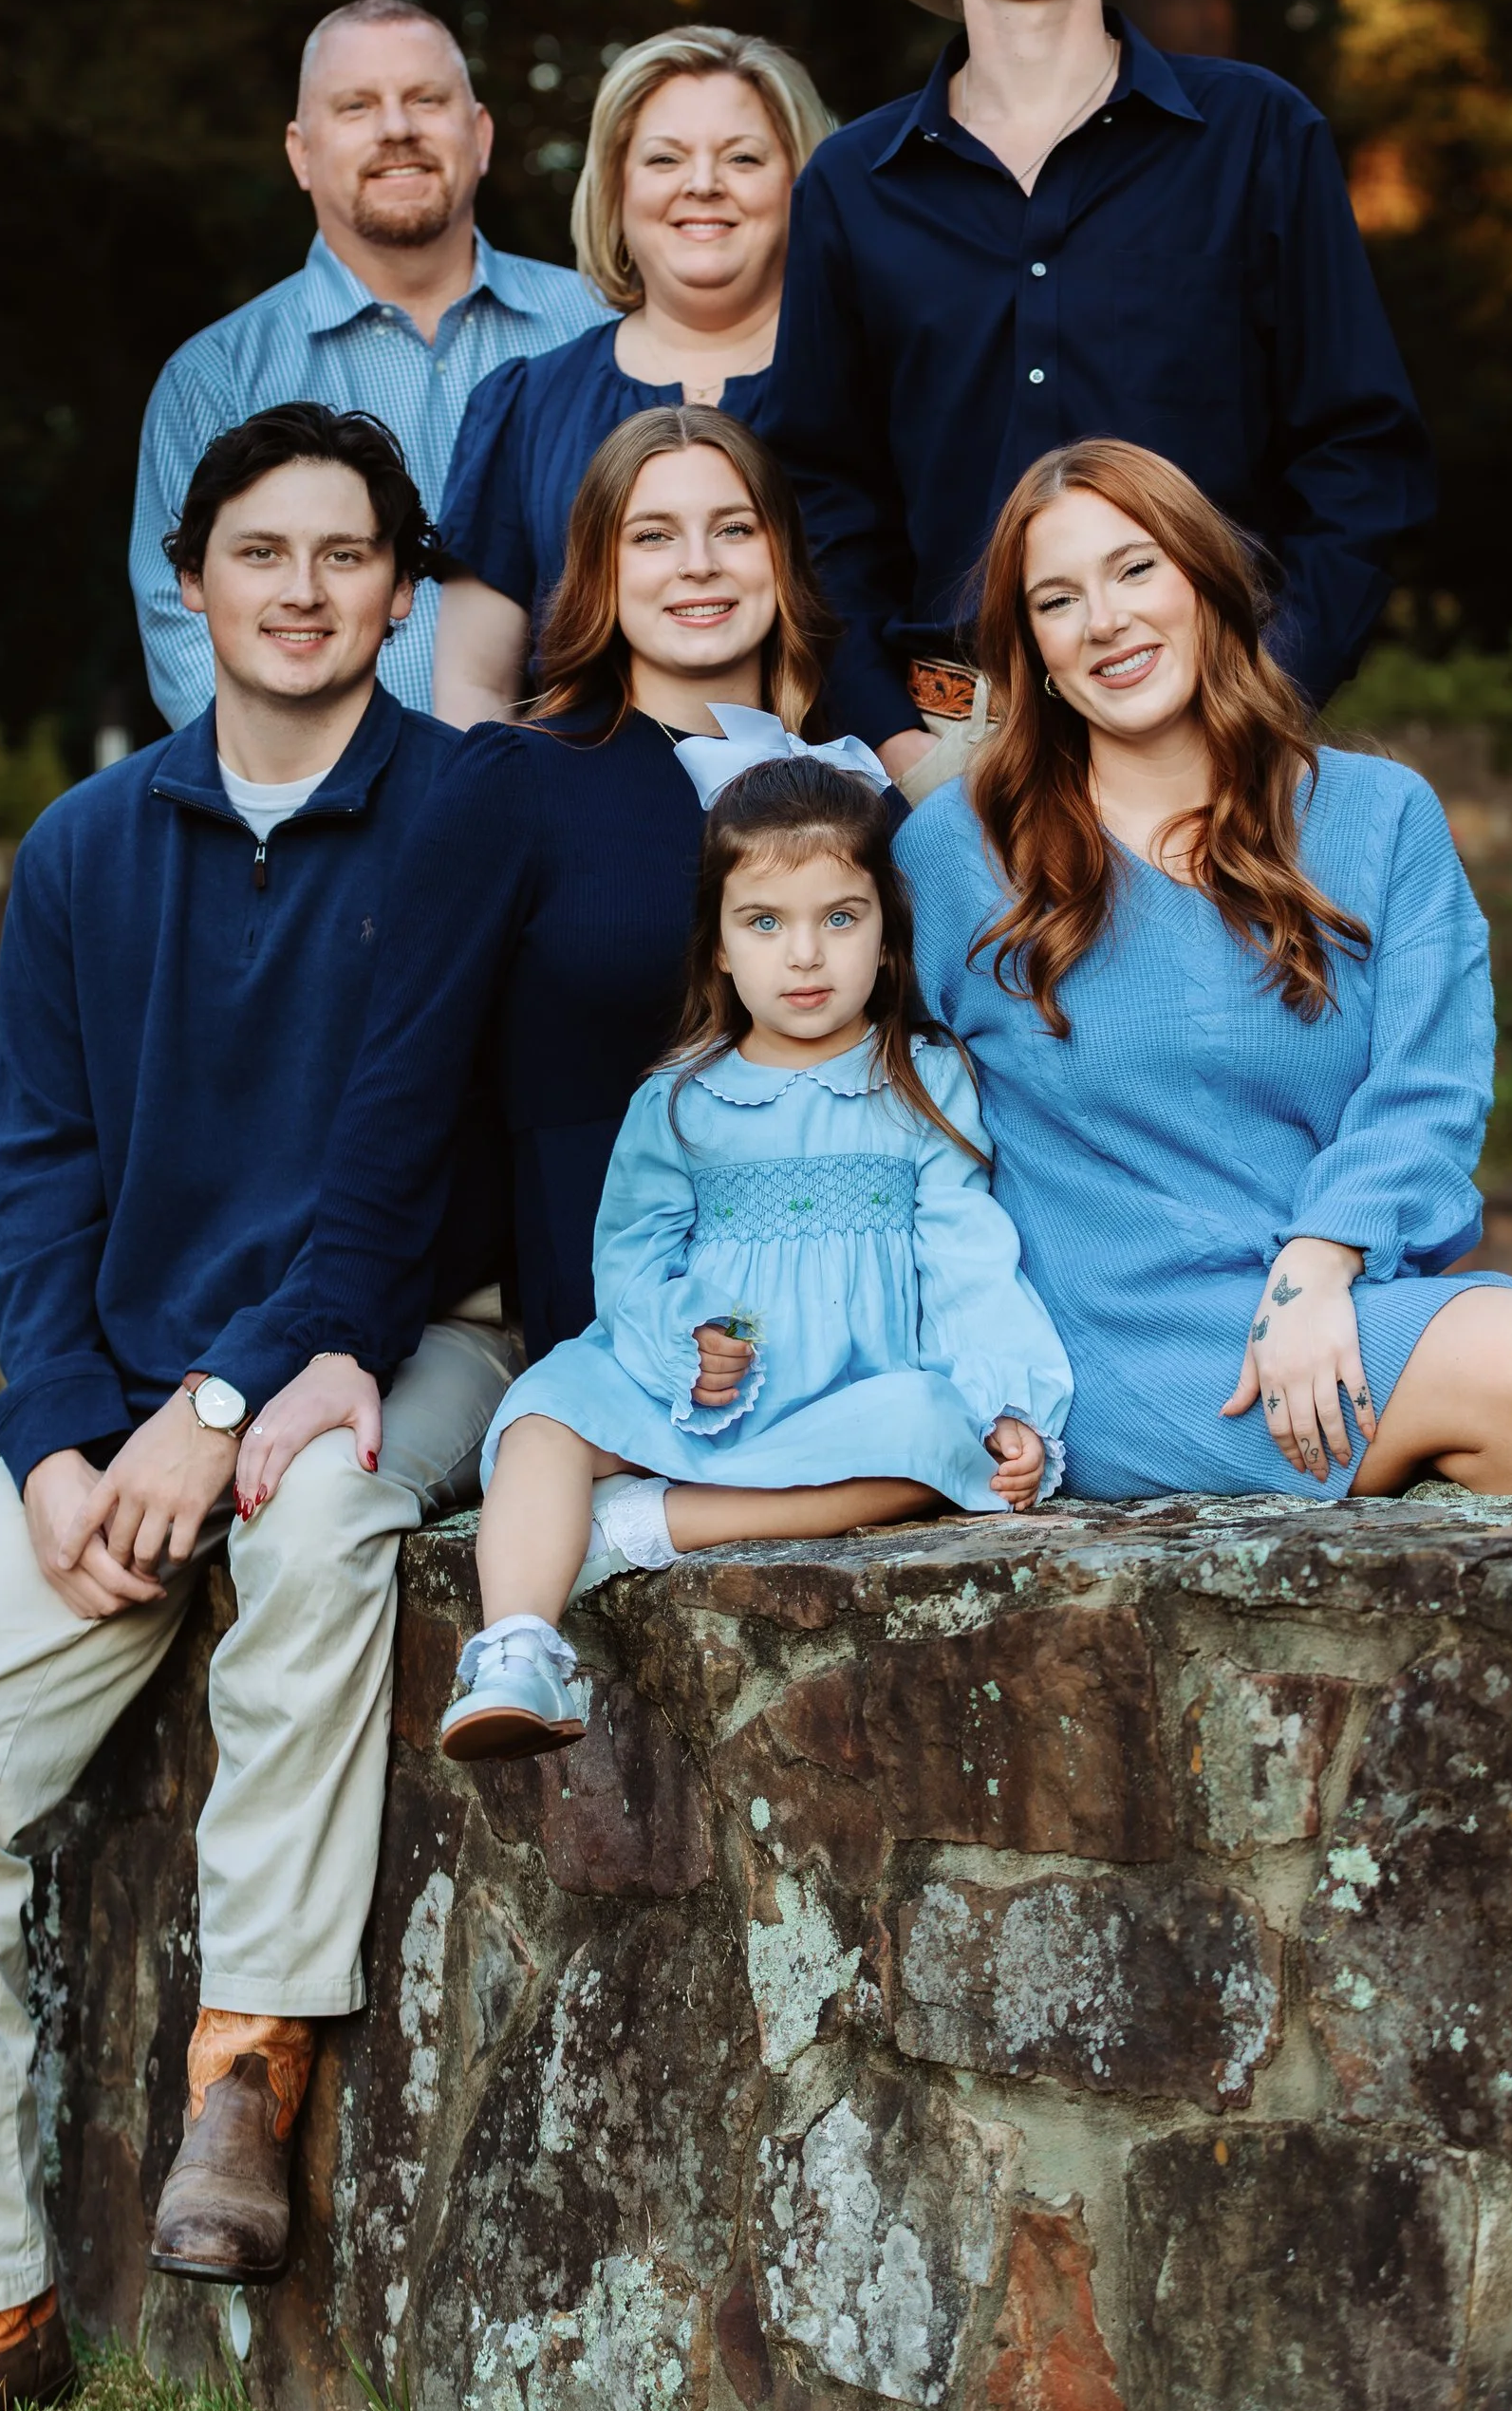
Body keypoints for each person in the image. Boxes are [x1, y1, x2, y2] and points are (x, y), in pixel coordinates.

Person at [0, 405, 513, 2411]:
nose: (301, 588)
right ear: (188, 580)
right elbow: (36, 1175)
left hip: (400, 1335)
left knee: (315, 1527)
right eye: (259, 551)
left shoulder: (462, 813)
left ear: (399, 593)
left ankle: (251, 2060)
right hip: (123, 1397)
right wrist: (57, 1442)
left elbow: (413, 1176)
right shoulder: (86, 847)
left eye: (343, 554)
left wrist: (225, 1399)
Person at [899, 436, 1512, 1509]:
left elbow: (1431, 1084)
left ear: (1204, 579)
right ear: (1029, 645)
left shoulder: (1378, 813)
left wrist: (1322, 1257)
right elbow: (872, 1096)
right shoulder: (955, 849)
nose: (1106, 621)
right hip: (1130, 1330)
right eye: (1057, 600)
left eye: (1135, 569)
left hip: (1337, 1283)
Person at [770, 0, 1434, 791]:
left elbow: (1360, 450)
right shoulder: (851, 185)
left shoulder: (1258, 136)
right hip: (958, 743)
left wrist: (1269, 691)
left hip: (1218, 727)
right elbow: (816, 493)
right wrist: (895, 738)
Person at [231, 403, 839, 1511]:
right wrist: (337, 1337)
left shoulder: (853, 798)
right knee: (320, 1507)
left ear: (784, 557)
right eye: (651, 535)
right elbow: (401, 1085)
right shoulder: (516, 782)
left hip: (846, 1307)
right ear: (597, 573)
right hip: (608, 1330)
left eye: (732, 529)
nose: (696, 565)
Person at [436, 741, 1072, 1758]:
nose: (805, 955)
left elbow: (968, 1258)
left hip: (851, 1393)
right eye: (765, 923)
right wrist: (681, 1340)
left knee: (937, 1438)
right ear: (720, 946)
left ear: (886, 935)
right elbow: (630, 1262)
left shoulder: (924, 1081)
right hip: (707, 1384)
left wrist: (1006, 1400)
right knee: (545, 1414)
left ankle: (659, 1523)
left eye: (839, 918)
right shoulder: (681, 1099)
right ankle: (518, 1643)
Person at [130, 0, 604, 724]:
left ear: (479, 136)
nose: (396, 128)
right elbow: (191, 644)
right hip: (335, 825)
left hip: (586, 800)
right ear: (301, 153)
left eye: (426, 99)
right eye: (356, 106)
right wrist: (330, 813)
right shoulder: (216, 379)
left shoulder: (601, 328)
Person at [432, 25, 833, 728]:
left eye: (742, 157)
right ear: (616, 187)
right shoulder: (527, 406)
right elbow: (476, 687)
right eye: (665, 158)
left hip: (840, 824)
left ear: (800, 183)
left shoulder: (876, 392)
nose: (702, 184)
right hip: (580, 822)